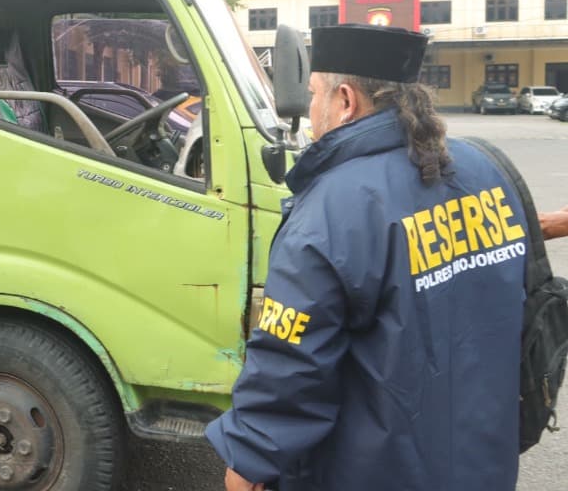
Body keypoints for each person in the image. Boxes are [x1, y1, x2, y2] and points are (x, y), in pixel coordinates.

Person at [205, 24, 530, 491]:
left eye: (314, 94)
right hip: (483, 459)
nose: (312, 109)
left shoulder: (334, 207)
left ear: (345, 101)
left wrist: (250, 456)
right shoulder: (484, 168)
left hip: (377, 468)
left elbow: (291, 359)